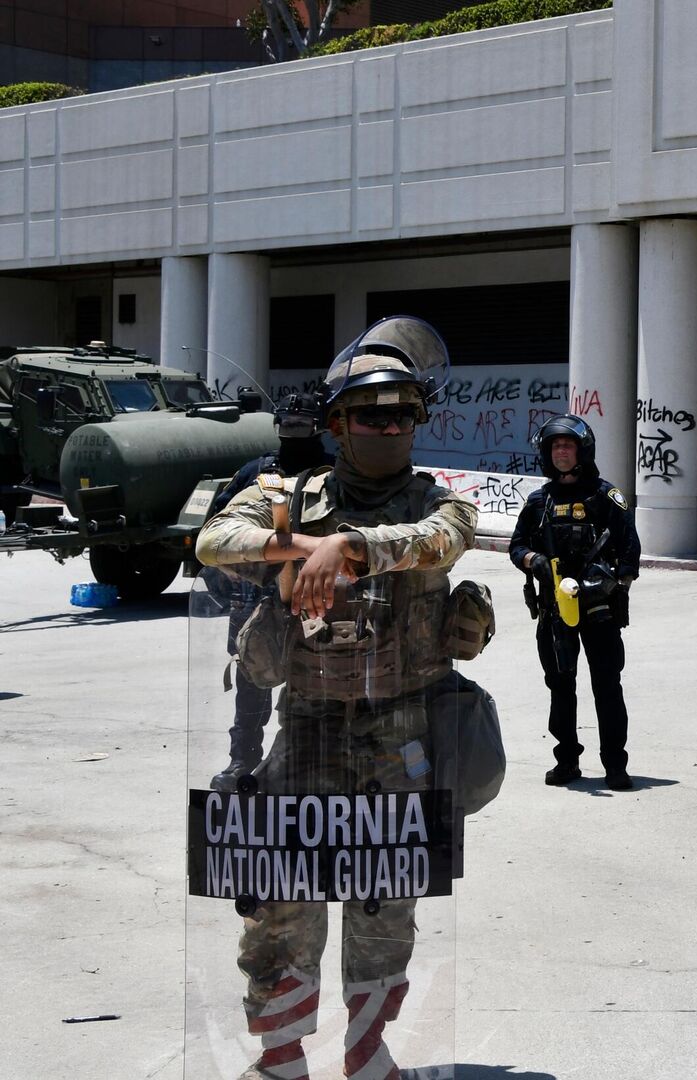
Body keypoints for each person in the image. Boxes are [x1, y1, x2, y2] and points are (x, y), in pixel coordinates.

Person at [194, 316, 478, 1080]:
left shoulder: (437, 500)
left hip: (402, 727)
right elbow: (213, 542)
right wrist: (302, 547)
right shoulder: (284, 495)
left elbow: (444, 541)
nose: (387, 426)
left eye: (401, 414)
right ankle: (281, 1055)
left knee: (385, 906)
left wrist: (351, 548)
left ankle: (367, 1047)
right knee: (282, 900)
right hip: (310, 723)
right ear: (337, 424)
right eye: (369, 414)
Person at [203, 391, 332, 792]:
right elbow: (218, 526)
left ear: (320, 428)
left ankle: (312, 762)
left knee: (320, 683)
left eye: (302, 427)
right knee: (252, 680)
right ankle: (243, 759)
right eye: (286, 426)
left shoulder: (336, 473)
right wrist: (229, 576)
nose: (293, 435)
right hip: (257, 598)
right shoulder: (258, 473)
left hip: (315, 596)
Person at [510, 414, 642, 790]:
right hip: (555, 610)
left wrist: (617, 584)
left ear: (582, 450)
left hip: (599, 609)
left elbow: (629, 546)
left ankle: (615, 764)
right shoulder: (539, 501)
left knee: (607, 684)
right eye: (555, 446)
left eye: (567, 445)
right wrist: (531, 560)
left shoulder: (605, 495)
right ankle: (567, 760)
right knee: (560, 686)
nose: (561, 451)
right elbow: (517, 545)